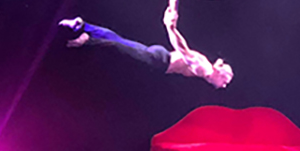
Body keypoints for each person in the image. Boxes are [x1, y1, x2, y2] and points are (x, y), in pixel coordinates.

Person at [58, 10, 233, 89]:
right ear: (219, 73)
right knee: (118, 46)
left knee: (118, 40)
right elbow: (183, 49)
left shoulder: (206, 69)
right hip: (157, 60)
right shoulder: (204, 69)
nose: (223, 86)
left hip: (159, 57)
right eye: (225, 81)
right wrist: (171, 28)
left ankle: (82, 25)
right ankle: (87, 39)